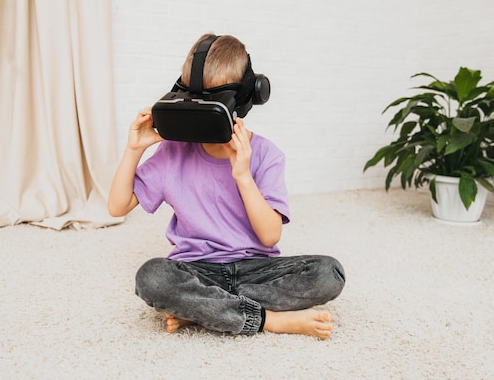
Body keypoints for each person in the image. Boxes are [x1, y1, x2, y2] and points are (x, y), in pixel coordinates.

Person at [108, 34, 345, 339]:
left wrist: (243, 175)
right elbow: (117, 207)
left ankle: (202, 310)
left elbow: (270, 235)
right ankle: (267, 319)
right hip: (196, 268)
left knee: (329, 273)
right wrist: (133, 149)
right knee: (152, 277)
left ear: (246, 98)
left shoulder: (266, 154)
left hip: (257, 268)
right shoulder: (173, 152)